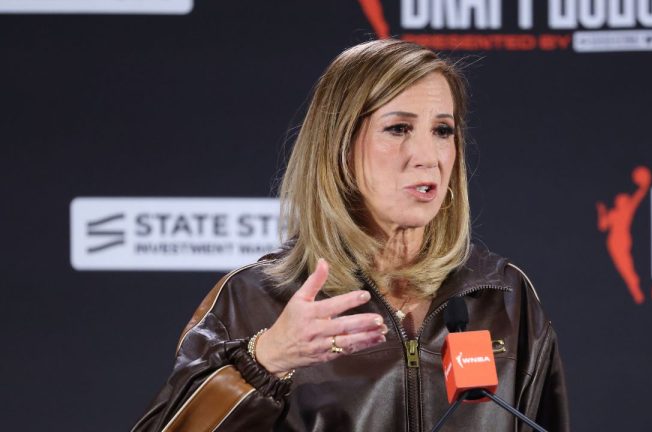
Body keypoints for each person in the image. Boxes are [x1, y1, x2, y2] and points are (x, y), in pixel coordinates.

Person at [132, 39, 569, 432]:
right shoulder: (254, 300)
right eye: (398, 128)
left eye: (442, 130)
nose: (427, 156)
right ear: (339, 147)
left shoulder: (502, 295)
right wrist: (264, 360)